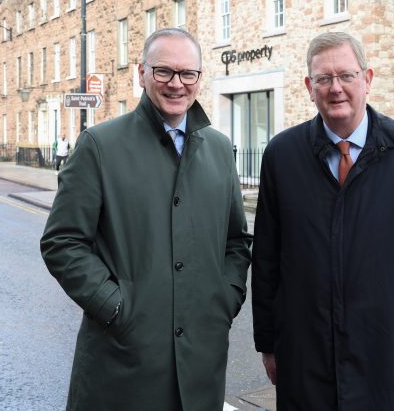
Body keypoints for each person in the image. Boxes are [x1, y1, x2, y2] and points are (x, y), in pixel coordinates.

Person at [251, 32, 394, 410]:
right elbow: (268, 261)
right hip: (307, 361)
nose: (336, 88)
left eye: (346, 76)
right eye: (323, 78)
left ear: (367, 79)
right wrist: (269, 344)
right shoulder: (281, 156)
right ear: (308, 86)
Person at [40, 28, 252, 411]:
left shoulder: (220, 150)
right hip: (122, 367)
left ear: (199, 78)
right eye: (163, 72)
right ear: (141, 73)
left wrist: (227, 298)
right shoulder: (99, 146)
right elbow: (62, 242)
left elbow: (236, 241)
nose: (177, 84)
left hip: (200, 364)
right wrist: (116, 306)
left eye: (188, 74)